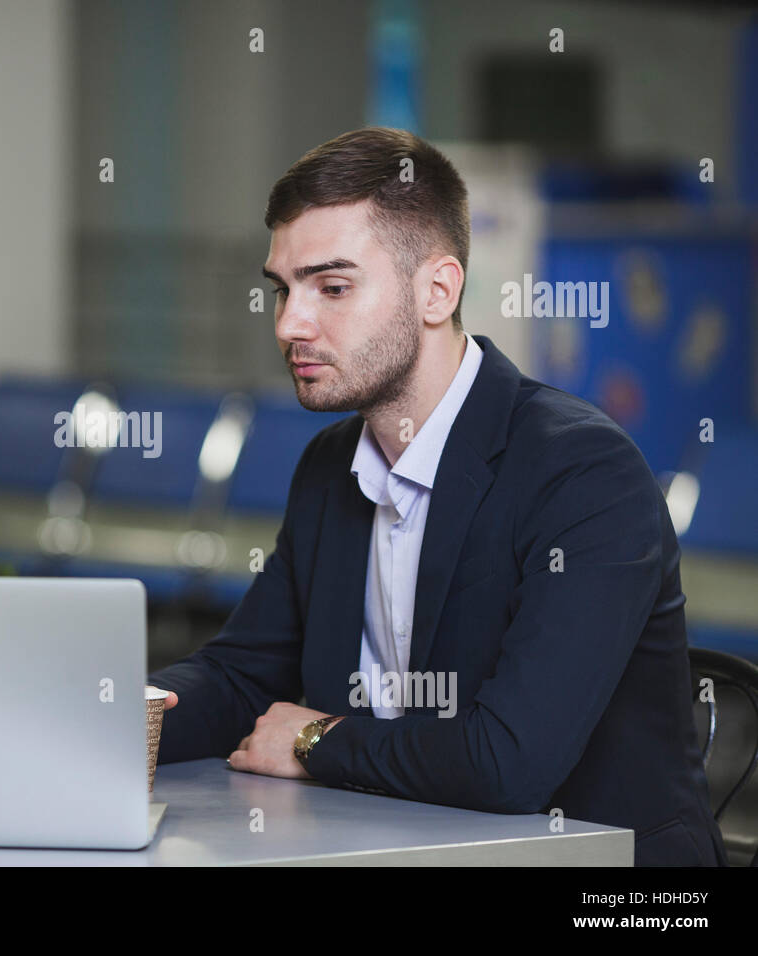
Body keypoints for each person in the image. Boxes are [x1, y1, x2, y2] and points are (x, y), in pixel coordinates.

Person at [147, 128, 726, 867]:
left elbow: (508, 760)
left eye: (332, 286)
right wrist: (113, 712)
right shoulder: (331, 466)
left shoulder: (583, 471)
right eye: (282, 289)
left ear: (438, 290)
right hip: (386, 841)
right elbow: (238, 676)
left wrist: (313, 737)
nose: (290, 323)